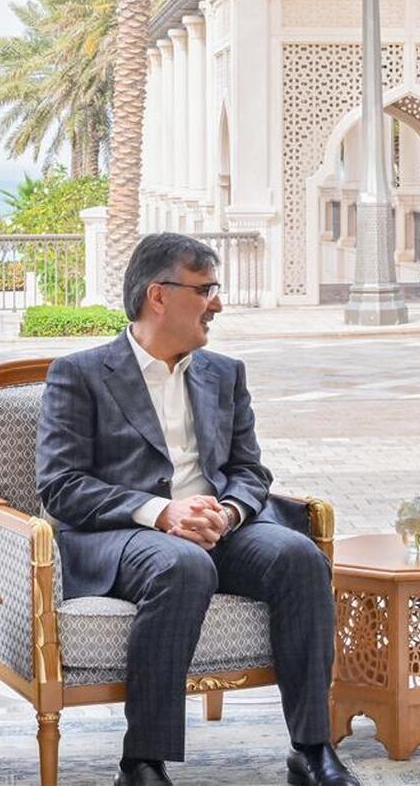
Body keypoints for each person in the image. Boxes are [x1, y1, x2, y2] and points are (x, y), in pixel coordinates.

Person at [36, 233, 358, 786]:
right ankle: (142, 762)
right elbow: (61, 486)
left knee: (299, 556)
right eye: (205, 289)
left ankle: (311, 750)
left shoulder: (224, 373)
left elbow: (250, 470)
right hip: (123, 534)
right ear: (158, 296)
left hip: (219, 527)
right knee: (183, 565)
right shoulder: (79, 374)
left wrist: (228, 513)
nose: (218, 303)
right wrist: (162, 513)